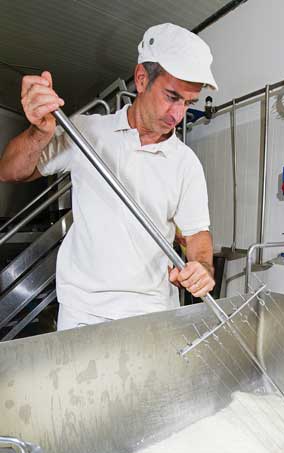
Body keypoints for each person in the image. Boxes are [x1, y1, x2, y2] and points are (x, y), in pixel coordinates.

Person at [0, 23, 218, 330]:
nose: (177, 115)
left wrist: (203, 268)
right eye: (171, 96)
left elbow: (198, 236)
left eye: (187, 103)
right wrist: (39, 133)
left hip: (151, 311)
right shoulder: (87, 131)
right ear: (142, 79)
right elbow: (10, 171)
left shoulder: (186, 163)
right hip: (83, 311)